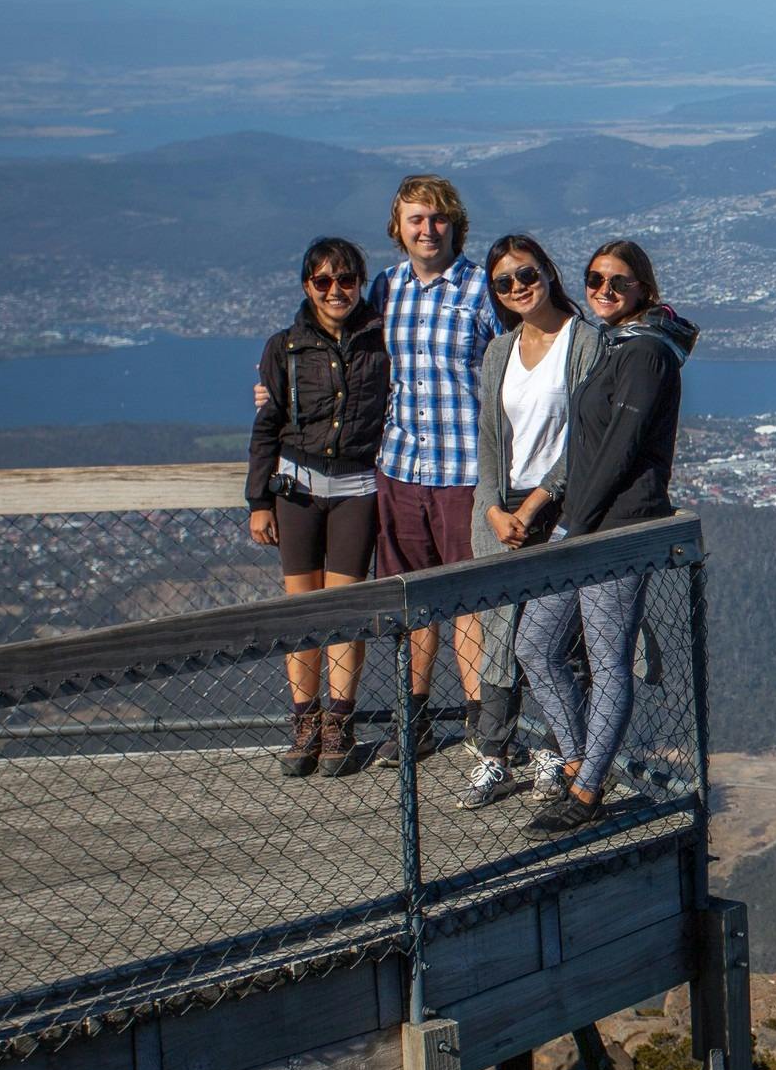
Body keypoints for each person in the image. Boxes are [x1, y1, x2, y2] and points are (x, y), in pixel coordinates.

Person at [515, 239, 697, 836]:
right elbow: (589, 447)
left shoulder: (646, 355)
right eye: (595, 280)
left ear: (643, 288)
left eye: (618, 282)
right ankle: (578, 764)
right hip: (586, 522)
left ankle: (588, 788)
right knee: (535, 644)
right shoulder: (619, 344)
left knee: (607, 658)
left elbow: (619, 450)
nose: (604, 291)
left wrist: (575, 526)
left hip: (616, 529)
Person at [455, 232, 603, 808]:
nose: (517, 287)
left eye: (526, 275)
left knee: (553, 641)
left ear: (548, 272)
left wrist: (536, 503)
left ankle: (555, 750)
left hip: (560, 508)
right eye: (504, 282)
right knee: (499, 631)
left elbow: (587, 439)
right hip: (504, 508)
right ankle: (493, 754)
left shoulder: (584, 343)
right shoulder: (501, 351)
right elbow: (490, 438)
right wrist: (493, 507)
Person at [366, 174, 502, 764]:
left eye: (438, 218)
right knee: (411, 600)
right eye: (416, 219)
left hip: (464, 469)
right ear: (398, 228)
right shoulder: (384, 288)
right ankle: (412, 719)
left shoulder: (480, 289)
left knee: (470, 599)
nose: (428, 229)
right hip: (399, 466)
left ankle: (482, 727)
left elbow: (512, 367)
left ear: (456, 225)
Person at [245, 237, 391, 776]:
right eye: (323, 281)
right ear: (306, 286)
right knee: (300, 613)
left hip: (356, 488)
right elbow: (267, 427)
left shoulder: (383, 342)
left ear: (359, 281)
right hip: (297, 489)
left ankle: (340, 721)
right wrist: (259, 500)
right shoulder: (284, 347)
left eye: (345, 280)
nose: (335, 291)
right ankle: (304, 720)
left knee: (346, 612)